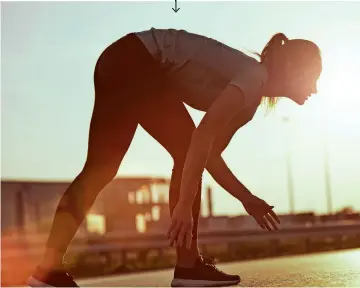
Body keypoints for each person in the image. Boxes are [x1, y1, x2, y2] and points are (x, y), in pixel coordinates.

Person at [27, 27, 322, 287]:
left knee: (100, 171)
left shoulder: (249, 101)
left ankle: (47, 271)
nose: (316, 89)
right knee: (182, 152)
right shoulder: (254, 76)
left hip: (119, 60)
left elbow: (206, 155)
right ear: (295, 69)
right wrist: (183, 205)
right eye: (314, 77)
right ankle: (188, 265)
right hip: (135, 60)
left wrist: (246, 198)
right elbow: (200, 139)